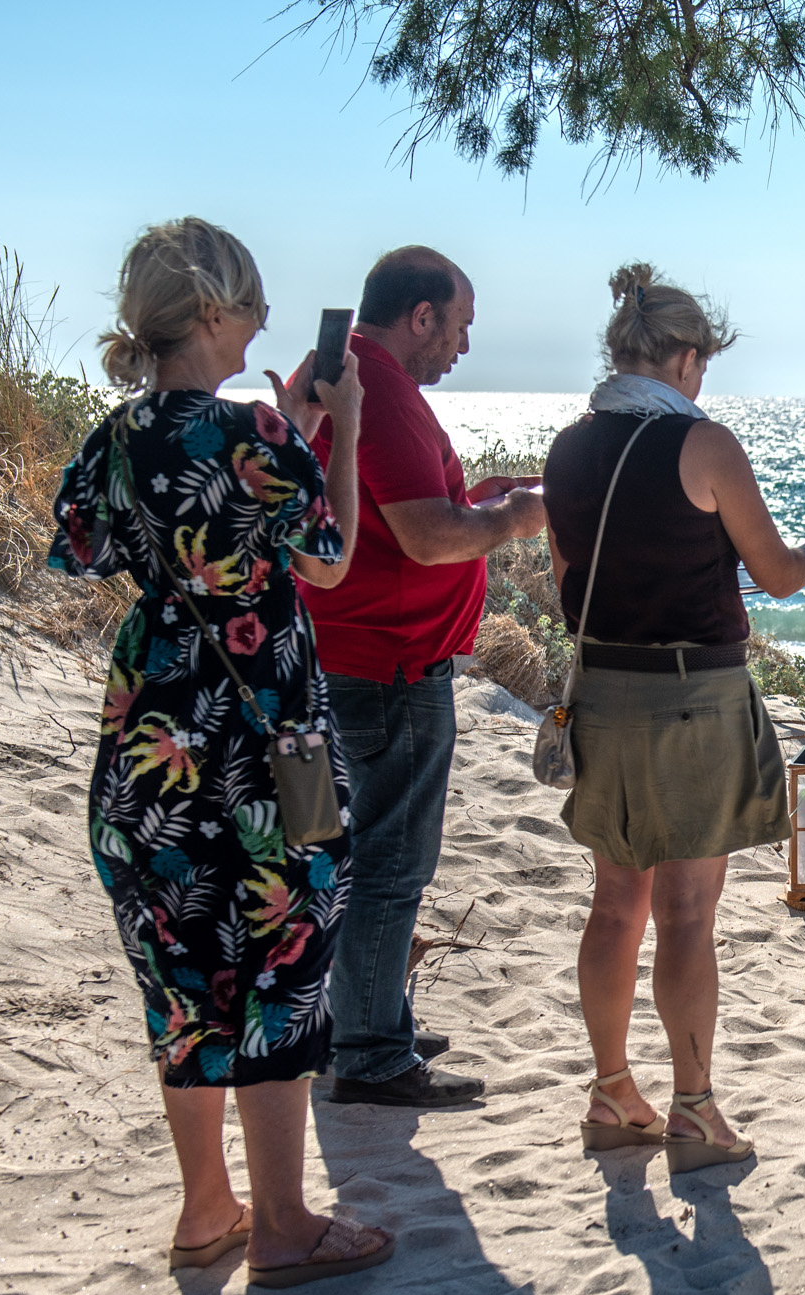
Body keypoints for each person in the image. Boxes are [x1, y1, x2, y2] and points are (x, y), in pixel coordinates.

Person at [48, 218, 393, 1284]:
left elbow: (77, 549)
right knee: (283, 964)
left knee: (185, 978)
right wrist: (335, 435)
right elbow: (327, 562)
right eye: (250, 303)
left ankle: (208, 1212)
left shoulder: (115, 437)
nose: (263, 322)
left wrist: (263, 450)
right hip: (263, 745)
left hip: (150, 740)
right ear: (208, 313)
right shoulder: (257, 434)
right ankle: (284, 1223)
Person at [541, 264, 805, 1171]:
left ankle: (609, 1092)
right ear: (682, 357)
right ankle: (695, 1109)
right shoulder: (703, 444)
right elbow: (777, 571)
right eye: (701, 364)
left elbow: (568, 581)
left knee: (613, 904)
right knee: (685, 913)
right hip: (691, 695)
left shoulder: (566, 447)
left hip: (601, 691)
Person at [300, 246, 547, 1109]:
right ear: (421, 316)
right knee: (391, 859)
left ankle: (364, 1017)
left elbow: (384, 514)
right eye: (460, 325)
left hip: (359, 653)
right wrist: (513, 515)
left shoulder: (347, 376)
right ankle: (368, 1048)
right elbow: (427, 536)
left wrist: (475, 494)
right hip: (390, 661)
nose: (464, 348)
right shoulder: (383, 390)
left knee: (367, 852)